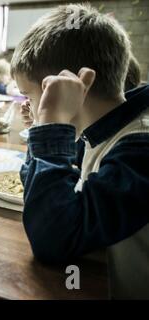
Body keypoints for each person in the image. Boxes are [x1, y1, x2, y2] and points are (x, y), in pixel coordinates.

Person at [11, 4, 149, 299]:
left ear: (65, 87)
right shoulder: (102, 126)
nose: (28, 105)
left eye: (28, 94)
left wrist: (50, 125)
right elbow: (35, 188)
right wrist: (48, 128)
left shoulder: (140, 146)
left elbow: (52, 239)